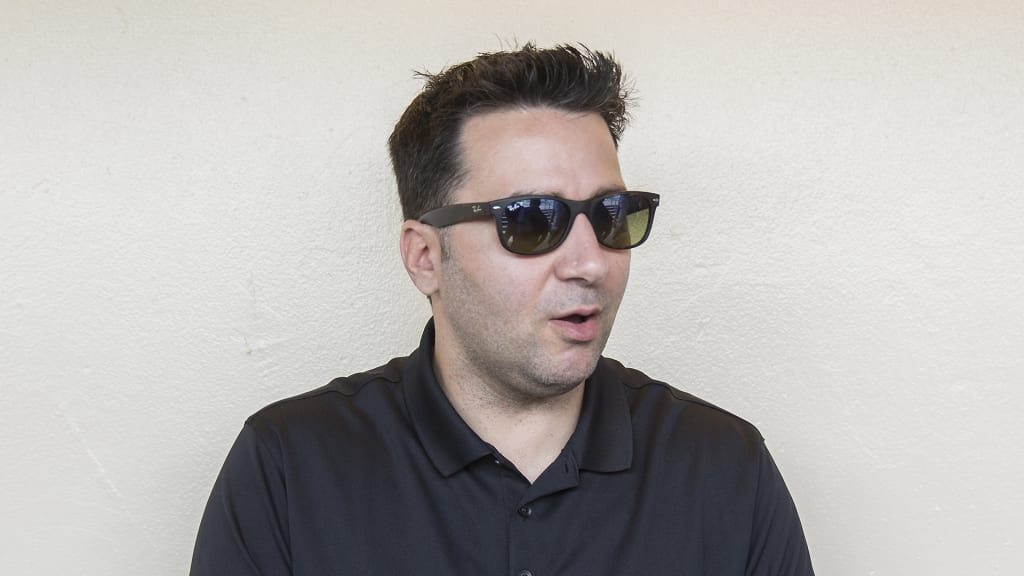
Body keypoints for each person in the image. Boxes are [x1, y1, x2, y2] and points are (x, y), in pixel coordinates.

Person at [190, 43, 814, 575]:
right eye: (532, 221)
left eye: (610, 216)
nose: (590, 263)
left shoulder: (726, 469)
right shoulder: (289, 469)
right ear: (425, 257)